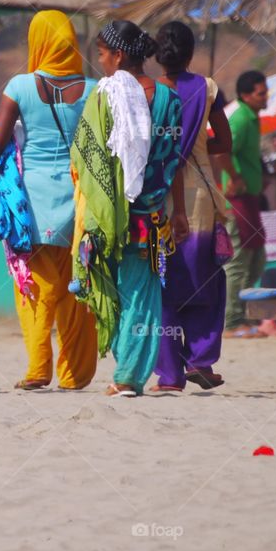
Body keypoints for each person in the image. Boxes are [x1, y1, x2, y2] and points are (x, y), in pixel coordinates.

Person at [71, 20, 185, 397]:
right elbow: (174, 161)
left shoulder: (104, 95)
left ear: (118, 55)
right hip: (152, 216)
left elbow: (87, 158)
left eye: (102, 55)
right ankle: (129, 372)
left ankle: (126, 376)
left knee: (114, 292)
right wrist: (177, 210)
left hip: (108, 218)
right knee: (142, 293)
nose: (100, 62)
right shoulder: (170, 99)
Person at [0, 10, 98, 391]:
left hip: (32, 202)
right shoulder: (94, 89)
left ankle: (38, 368)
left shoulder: (20, 86)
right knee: (76, 285)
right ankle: (73, 374)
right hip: (78, 198)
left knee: (34, 284)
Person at [151, 21, 231, 391]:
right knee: (204, 278)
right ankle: (200, 360)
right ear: (191, 53)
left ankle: (169, 374)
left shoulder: (149, 92)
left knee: (163, 281)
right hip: (200, 197)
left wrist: (172, 154)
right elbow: (224, 143)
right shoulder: (207, 88)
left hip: (159, 197)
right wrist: (195, 149)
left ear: (157, 54)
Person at [218, 70, 269, 338]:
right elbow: (222, 149)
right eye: (261, 93)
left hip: (249, 199)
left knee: (257, 257)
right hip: (237, 199)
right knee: (238, 260)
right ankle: (232, 321)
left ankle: (245, 315)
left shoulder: (251, 117)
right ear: (246, 95)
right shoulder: (240, 118)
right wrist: (235, 177)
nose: (266, 97)